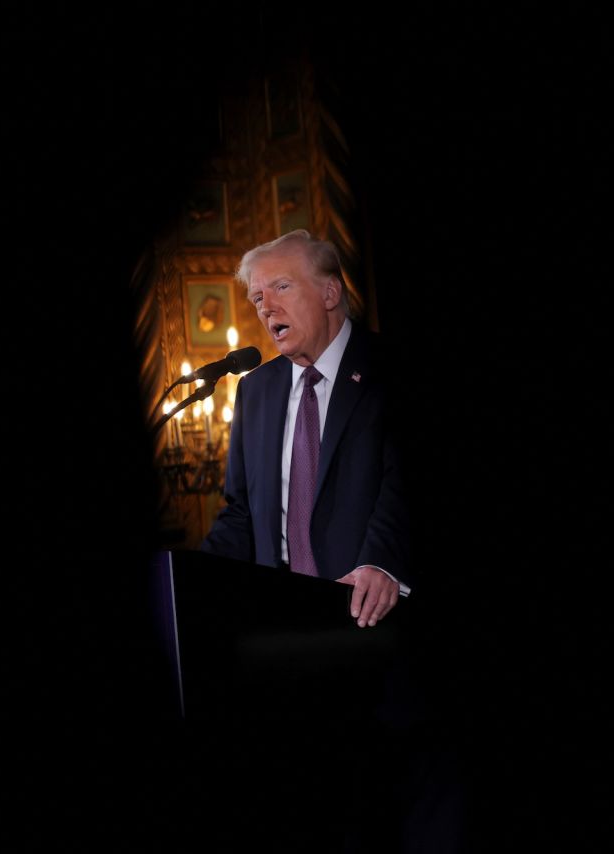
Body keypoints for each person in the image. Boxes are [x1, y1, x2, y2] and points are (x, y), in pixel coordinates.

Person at [199, 229, 463, 853]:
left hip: (386, 639)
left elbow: (411, 480)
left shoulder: (392, 368)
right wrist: (196, 580)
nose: (266, 307)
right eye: (258, 298)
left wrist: (383, 560)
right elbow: (241, 515)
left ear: (330, 291)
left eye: (280, 288)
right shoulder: (254, 391)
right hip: (294, 661)